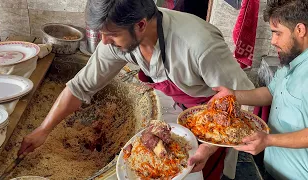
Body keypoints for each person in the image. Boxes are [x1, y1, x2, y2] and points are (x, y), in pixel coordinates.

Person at [18, 0, 254, 179]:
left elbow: (245, 103)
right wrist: (44, 129)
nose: (105, 41)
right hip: (177, 109)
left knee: (199, 173)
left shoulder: (199, 45)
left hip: (212, 121)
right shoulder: (117, 38)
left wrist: (210, 146)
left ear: (140, 25)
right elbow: (81, 87)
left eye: (110, 35)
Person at [210, 0, 308, 179]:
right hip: (273, 164)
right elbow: (270, 93)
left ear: (300, 30)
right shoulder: (291, 60)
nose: (273, 41)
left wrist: (269, 139)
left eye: (277, 33)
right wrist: (233, 95)